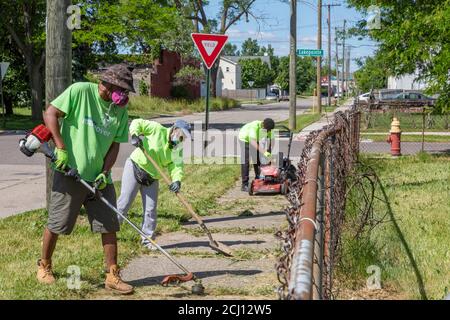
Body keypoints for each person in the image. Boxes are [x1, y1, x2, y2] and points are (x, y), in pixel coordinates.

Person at [37, 64, 134, 294]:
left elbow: (114, 144)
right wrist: (60, 147)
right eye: (124, 89)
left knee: (109, 224)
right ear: (109, 84)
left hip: (99, 179)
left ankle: (112, 274)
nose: (126, 95)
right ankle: (44, 266)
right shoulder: (80, 91)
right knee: (57, 223)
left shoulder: (120, 110)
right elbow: (50, 112)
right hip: (71, 173)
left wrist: (106, 171)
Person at [117, 119, 191, 250]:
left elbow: (176, 166)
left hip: (152, 177)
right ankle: (111, 232)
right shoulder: (157, 129)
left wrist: (177, 180)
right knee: (125, 201)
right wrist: (135, 135)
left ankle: (147, 240)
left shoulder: (177, 147)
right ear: (174, 129)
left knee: (150, 209)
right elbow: (137, 123)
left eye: (184, 137)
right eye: (181, 134)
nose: (181, 138)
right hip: (136, 166)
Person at [238, 118, 275, 192]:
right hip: (244, 139)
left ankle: (258, 178)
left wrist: (269, 153)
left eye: (269, 131)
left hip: (254, 139)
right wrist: (264, 152)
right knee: (246, 161)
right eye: (267, 130)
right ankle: (244, 184)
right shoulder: (254, 127)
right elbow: (252, 142)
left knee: (257, 158)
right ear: (263, 126)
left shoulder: (269, 129)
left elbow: (271, 141)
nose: (268, 132)